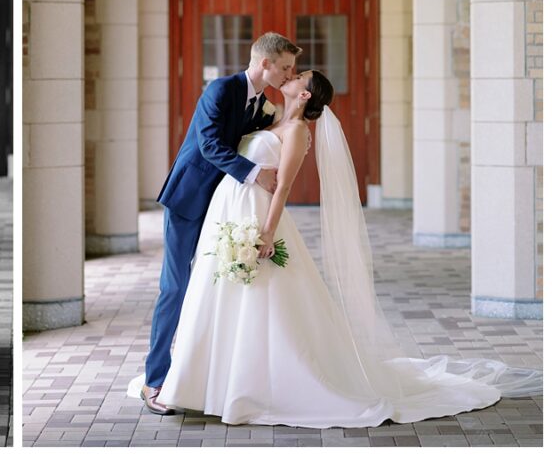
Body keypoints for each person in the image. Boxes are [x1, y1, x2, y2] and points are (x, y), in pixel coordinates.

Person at [141, 70, 539, 425]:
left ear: (305, 95)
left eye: (298, 76)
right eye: (290, 70)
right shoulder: (267, 117)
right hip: (228, 212)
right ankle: (209, 379)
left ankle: (252, 383)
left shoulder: (298, 132)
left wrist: (267, 232)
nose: (290, 76)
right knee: (219, 296)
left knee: (262, 301)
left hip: (256, 219)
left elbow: (283, 188)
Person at [139, 32, 296, 414]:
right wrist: (255, 174)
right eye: (285, 67)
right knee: (175, 287)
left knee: (212, 288)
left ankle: (201, 378)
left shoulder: (264, 107)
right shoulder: (221, 90)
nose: (289, 75)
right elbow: (209, 144)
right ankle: (154, 380)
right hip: (188, 198)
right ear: (265, 63)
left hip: (224, 208)